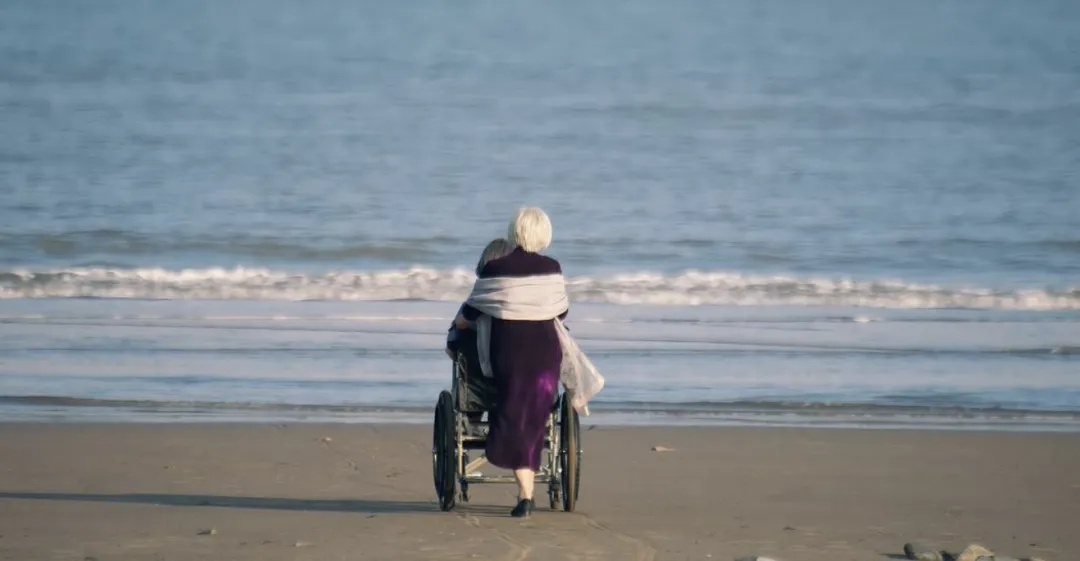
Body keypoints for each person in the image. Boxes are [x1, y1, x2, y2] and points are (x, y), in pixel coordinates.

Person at [456, 207, 569, 518]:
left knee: (514, 414)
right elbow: (561, 312)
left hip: (507, 355)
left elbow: (470, 312)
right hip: (546, 356)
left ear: (514, 232)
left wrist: (462, 325)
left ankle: (526, 495)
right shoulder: (552, 268)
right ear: (544, 234)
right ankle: (526, 493)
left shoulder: (495, 268)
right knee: (532, 415)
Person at [445, 238, 515, 429]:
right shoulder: (530, 305)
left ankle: (472, 423)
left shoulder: (476, 302)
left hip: (480, 381)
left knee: (466, 349)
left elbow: (452, 346)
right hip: (522, 378)